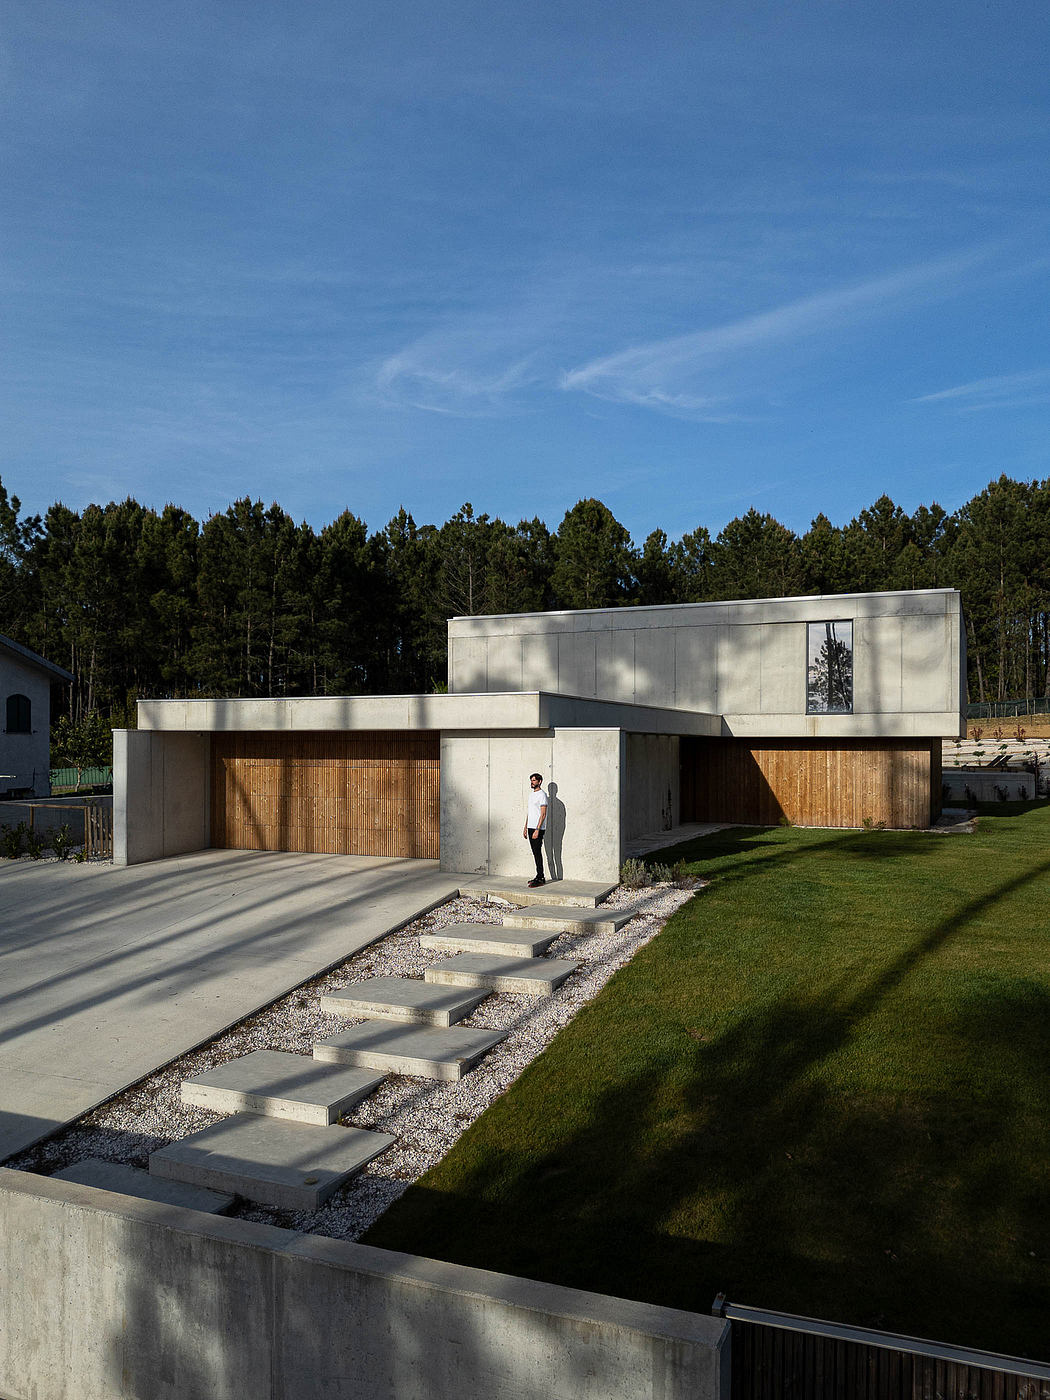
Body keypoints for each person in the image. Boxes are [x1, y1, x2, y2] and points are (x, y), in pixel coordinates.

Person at [523, 771, 548, 887]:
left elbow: (543, 814)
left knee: (537, 852)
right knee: (535, 852)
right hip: (530, 827)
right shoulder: (531, 795)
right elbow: (530, 812)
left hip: (538, 828)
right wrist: (525, 827)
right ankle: (538, 875)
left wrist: (537, 829)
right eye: (531, 780)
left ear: (540, 782)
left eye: (534, 780)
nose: (532, 782)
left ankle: (541, 877)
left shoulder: (542, 795)